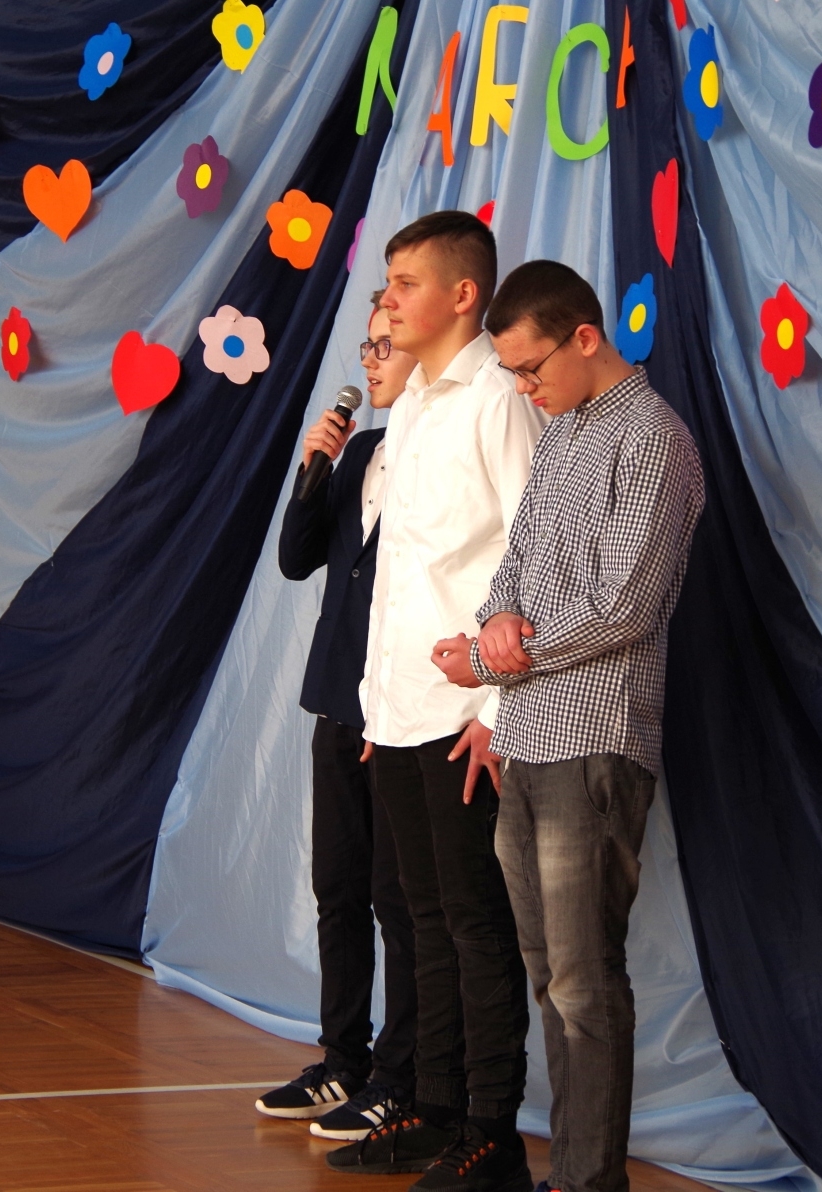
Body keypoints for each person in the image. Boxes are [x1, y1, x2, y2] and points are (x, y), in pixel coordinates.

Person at [429, 260, 705, 1192]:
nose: (522, 388)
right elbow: (512, 571)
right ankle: (571, 1174)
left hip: (596, 743)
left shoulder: (653, 440)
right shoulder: (558, 437)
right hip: (528, 737)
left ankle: (590, 1183)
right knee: (548, 975)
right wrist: (494, 624)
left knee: (585, 981)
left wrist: (498, 658)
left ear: (585, 338)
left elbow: (623, 606)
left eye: (530, 367)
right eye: (510, 373)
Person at [328, 211, 543, 1192]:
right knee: (419, 918)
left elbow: (534, 555)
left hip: (467, 719)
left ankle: (492, 1134)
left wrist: (497, 711)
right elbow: (402, 573)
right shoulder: (412, 402)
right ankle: (436, 1109)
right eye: (386, 283)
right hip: (402, 711)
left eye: (406, 283)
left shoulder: (497, 398)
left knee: (473, 923)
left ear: (463, 294)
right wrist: (378, 708)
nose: (388, 301)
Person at [258, 295, 423, 1141]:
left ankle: (403, 1074)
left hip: (400, 706)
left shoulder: (442, 448)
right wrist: (312, 469)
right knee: (338, 887)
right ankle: (342, 1060)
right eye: (367, 345)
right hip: (337, 698)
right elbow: (296, 560)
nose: (369, 360)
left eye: (385, 345)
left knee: (400, 897)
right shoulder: (360, 449)